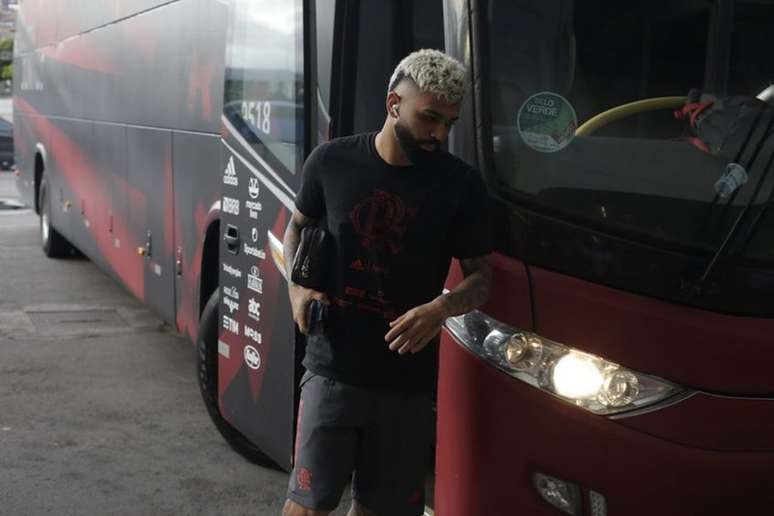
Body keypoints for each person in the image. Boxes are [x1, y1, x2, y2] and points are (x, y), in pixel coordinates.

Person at [281, 49, 492, 516]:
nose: (439, 134)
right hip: (332, 369)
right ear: (394, 103)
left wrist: (439, 309)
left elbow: (481, 280)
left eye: (448, 124)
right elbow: (296, 227)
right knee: (307, 507)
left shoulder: (461, 185)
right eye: (429, 118)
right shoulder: (332, 161)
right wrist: (297, 288)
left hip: (407, 384)